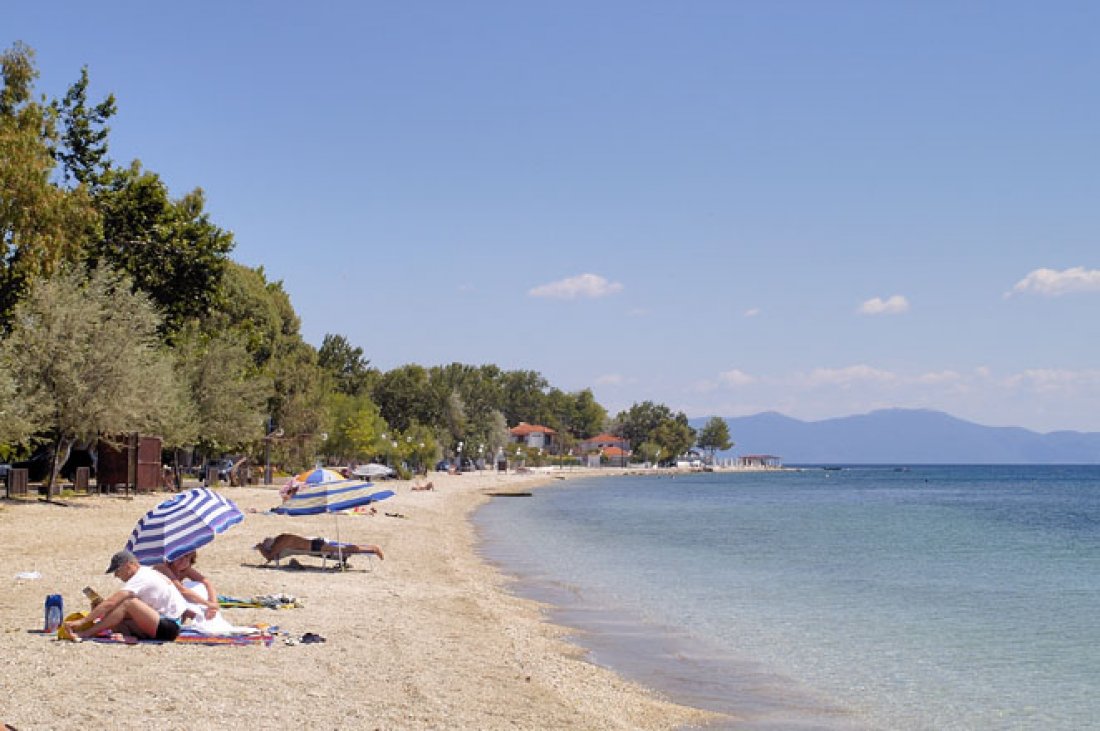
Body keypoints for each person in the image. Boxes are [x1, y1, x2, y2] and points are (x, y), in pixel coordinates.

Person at [64, 550, 189, 641]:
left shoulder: (141, 577)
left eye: (117, 571)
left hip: (169, 626)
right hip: (167, 623)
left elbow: (112, 602)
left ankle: (86, 633)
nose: (116, 575)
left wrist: (83, 621)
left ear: (129, 565)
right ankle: (126, 636)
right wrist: (102, 610)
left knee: (127, 603)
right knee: (116, 614)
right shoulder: (148, 572)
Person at [154, 551, 219, 621]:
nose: (183, 560)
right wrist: (208, 604)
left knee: (198, 586)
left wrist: (213, 602)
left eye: (186, 557)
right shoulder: (163, 567)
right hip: (156, 601)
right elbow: (182, 590)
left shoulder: (185, 569)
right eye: (179, 557)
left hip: (170, 601)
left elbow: (206, 582)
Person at [254, 533, 384, 563]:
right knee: (344, 547)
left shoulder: (280, 543)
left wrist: (260, 548)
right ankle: (371, 547)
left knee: (345, 549)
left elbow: (270, 557)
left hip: (316, 546)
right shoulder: (282, 537)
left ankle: (373, 549)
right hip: (316, 542)